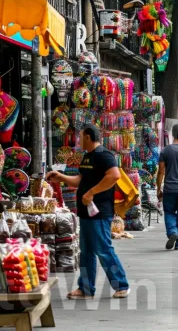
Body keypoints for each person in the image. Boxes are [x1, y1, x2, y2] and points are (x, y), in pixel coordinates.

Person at [46, 124, 129, 299]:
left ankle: (121, 284)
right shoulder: (87, 157)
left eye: (80, 136)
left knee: (103, 249)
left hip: (99, 212)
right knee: (86, 252)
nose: (78, 140)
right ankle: (85, 288)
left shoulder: (103, 155)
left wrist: (91, 192)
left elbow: (114, 175)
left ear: (88, 137)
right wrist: (60, 177)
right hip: (86, 213)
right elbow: (80, 180)